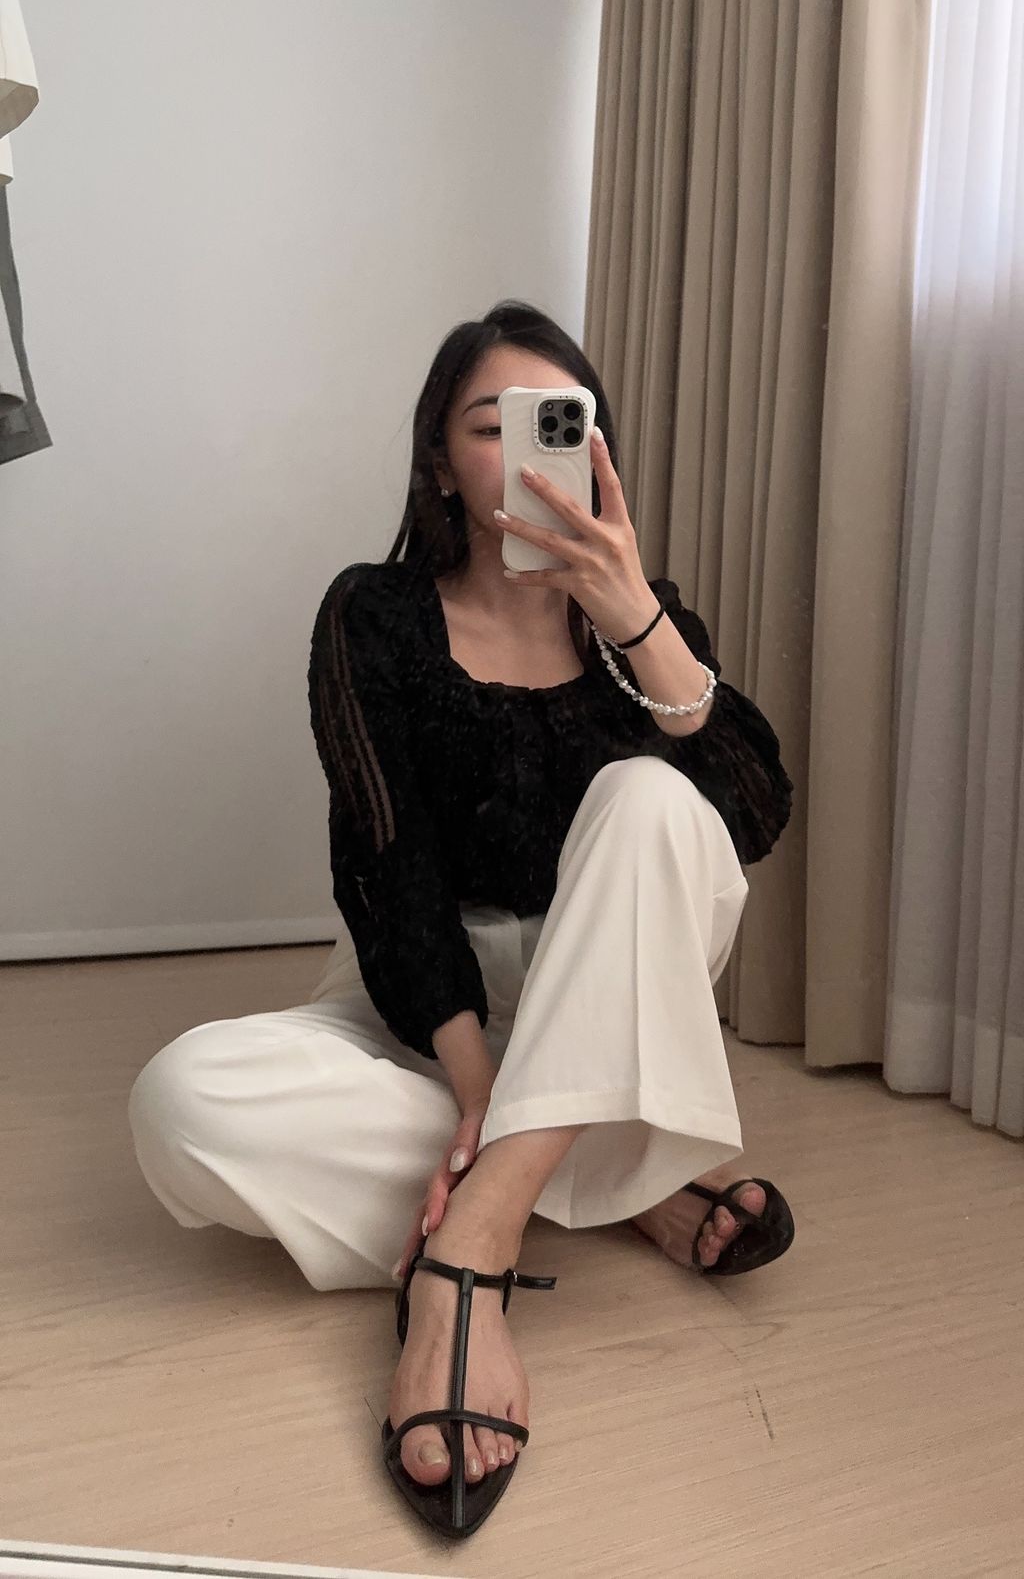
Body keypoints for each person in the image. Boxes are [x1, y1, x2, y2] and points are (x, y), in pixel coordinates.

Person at [128, 299, 794, 1538]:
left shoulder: (644, 623)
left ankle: (472, 1246)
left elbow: (751, 812)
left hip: (614, 968)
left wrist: (636, 617)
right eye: (493, 425)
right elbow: (385, 864)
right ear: (440, 460)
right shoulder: (372, 614)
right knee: (182, 1104)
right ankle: (606, 1164)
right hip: (433, 997)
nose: (527, 450)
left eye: (558, 421)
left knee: (653, 798)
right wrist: (476, 1079)